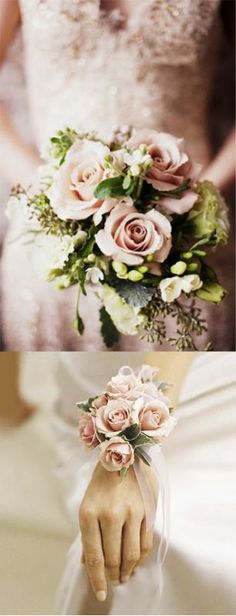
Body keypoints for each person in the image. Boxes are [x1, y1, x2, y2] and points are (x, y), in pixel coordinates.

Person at [0, 0, 235, 350]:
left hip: (190, 241)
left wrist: (200, 195)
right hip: (49, 236)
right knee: (51, 398)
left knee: (188, 398)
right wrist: (50, 195)